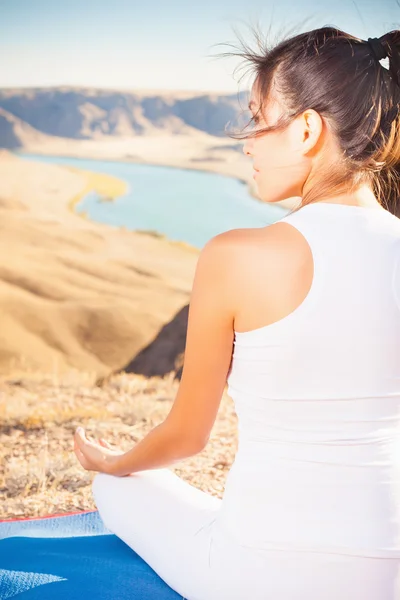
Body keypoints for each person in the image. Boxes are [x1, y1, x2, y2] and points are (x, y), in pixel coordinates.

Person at [73, 26, 400, 600]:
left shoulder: (235, 255)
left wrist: (116, 460)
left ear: (306, 130)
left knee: (119, 488)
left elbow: (186, 437)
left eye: (257, 118)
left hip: (260, 575)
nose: (246, 141)